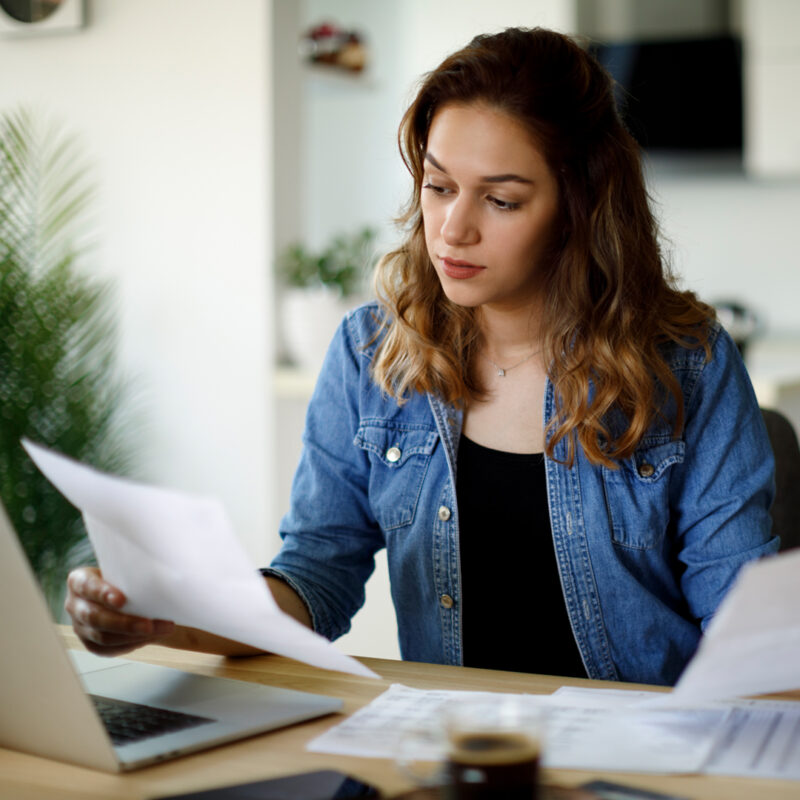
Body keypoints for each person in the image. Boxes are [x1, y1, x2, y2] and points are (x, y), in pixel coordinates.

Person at [65, 27, 778, 685]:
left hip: (640, 760)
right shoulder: (372, 354)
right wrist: (170, 617)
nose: (452, 229)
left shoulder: (689, 366)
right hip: (452, 753)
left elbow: (744, 635)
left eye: (500, 201)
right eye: (437, 188)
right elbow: (317, 576)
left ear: (580, 207)